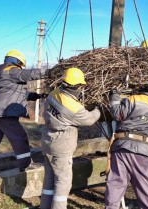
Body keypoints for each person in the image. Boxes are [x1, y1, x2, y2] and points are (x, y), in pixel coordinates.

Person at [40, 67, 101, 209]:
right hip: (61, 147)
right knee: (63, 183)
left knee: (49, 180)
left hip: (47, 140)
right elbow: (90, 119)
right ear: (76, 86)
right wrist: (98, 109)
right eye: (81, 85)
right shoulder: (73, 108)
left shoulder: (53, 94)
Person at [0, 49, 47, 177]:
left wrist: (36, 96)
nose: (21, 68)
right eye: (20, 65)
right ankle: (26, 164)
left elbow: (15, 93)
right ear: (17, 62)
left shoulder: (2, 74)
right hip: (4, 112)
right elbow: (30, 74)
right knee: (19, 137)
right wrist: (50, 72)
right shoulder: (12, 71)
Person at [105, 76, 148, 209]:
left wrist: (114, 97)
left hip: (123, 147)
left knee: (115, 184)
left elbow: (117, 114)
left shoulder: (134, 99)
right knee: (146, 188)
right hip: (143, 151)